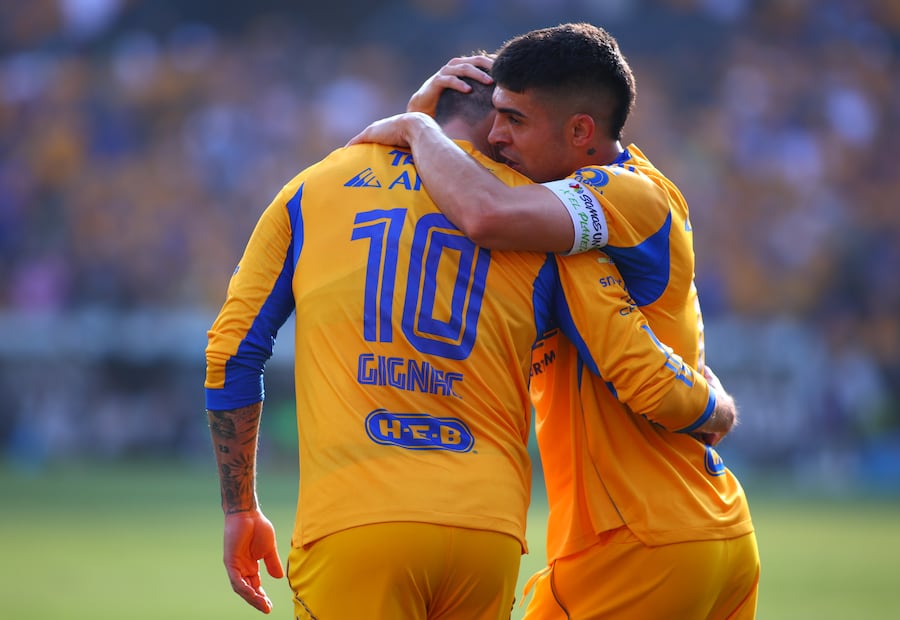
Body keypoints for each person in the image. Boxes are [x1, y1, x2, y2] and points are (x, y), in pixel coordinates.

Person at [204, 73, 737, 619]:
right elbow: (629, 356)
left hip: (355, 519)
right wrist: (706, 395)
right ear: (495, 122)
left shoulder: (313, 187)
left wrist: (240, 507)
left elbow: (233, 352)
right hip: (487, 529)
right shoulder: (538, 220)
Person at [348, 23, 760, 619]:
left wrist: (416, 128)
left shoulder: (619, 196)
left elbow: (485, 212)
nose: (496, 134)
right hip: (709, 530)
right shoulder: (607, 213)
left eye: (514, 119)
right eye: (494, 115)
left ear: (580, 131)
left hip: (634, 542)